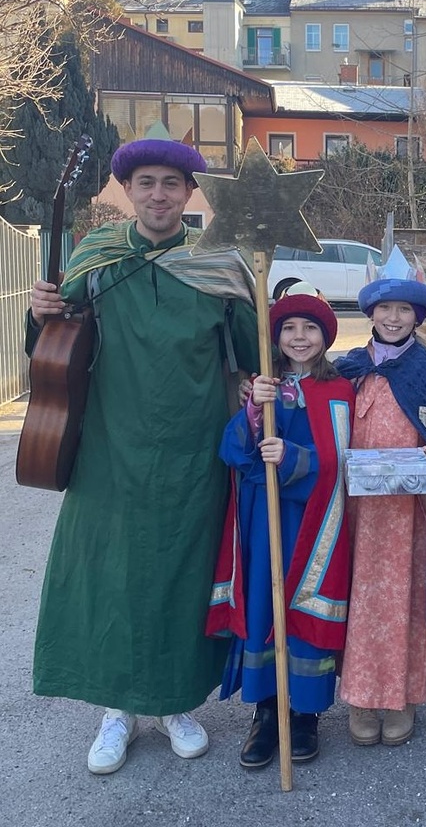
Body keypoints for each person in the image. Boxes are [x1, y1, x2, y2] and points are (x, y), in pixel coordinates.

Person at [27, 138, 260, 774]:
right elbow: (53, 345)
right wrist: (41, 314)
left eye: (171, 183)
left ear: (189, 193)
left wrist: (265, 367)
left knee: (183, 573)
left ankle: (176, 704)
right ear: (128, 190)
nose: (159, 194)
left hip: (194, 449)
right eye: (147, 183)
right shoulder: (96, 258)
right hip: (111, 444)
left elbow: (254, 354)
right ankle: (118, 710)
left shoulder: (220, 263)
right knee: (113, 574)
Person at [207, 284, 355, 768]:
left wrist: (291, 457)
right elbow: (232, 451)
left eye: (310, 327)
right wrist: (254, 412)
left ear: (326, 336)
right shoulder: (262, 387)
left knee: (303, 609)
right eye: (288, 327)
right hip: (263, 519)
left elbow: (337, 461)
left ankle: (305, 715)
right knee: (264, 605)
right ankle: (267, 713)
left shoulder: (338, 390)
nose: (299, 336)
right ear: (275, 337)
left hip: (312, 522)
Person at [333, 249, 426, 747]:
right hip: (356, 512)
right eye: (385, 308)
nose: (393, 318)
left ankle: (403, 698)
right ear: (370, 313)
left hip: (410, 516)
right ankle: (360, 697)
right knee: (360, 601)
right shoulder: (348, 369)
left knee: (406, 603)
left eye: (404, 310)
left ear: (418, 316)